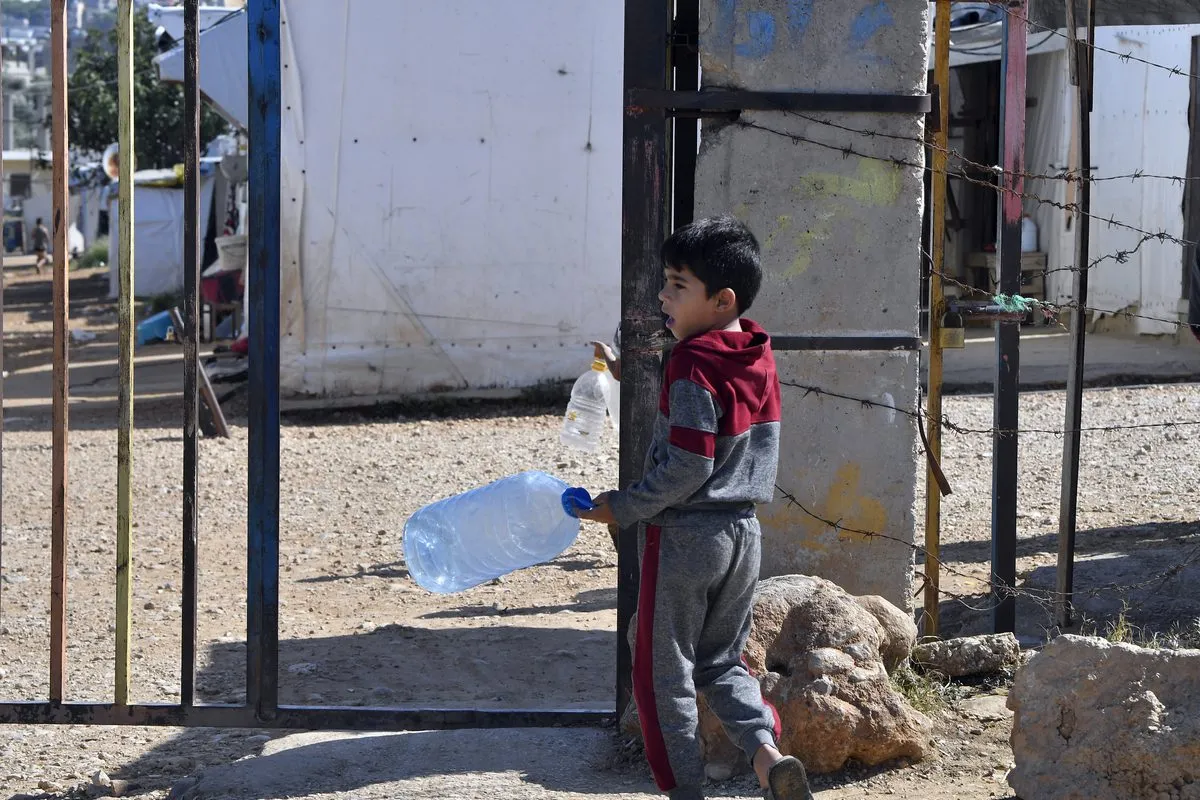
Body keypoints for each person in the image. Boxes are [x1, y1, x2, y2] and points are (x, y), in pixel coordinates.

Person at [577, 215, 812, 800]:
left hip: (684, 537)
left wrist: (624, 506)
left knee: (663, 675)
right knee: (721, 663)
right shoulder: (755, 351)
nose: (662, 294)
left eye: (678, 284)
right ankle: (766, 757)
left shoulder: (691, 362)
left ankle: (683, 791)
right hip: (743, 534)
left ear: (720, 298)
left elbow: (688, 464)